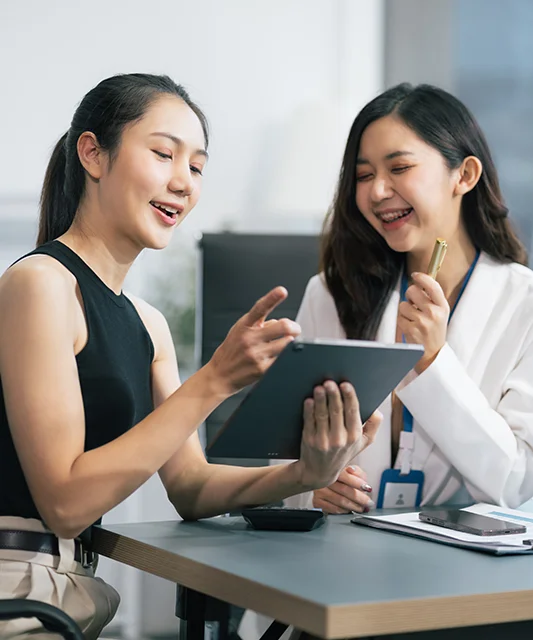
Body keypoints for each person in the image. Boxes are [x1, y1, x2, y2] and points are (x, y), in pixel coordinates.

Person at [0, 74, 381, 639]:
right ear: (92, 154)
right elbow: (65, 502)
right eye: (162, 154)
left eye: (197, 168)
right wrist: (214, 381)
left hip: (69, 595)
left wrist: (305, 472)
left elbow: (192, 488)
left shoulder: (147, 325)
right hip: (19, 591)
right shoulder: (39, 284)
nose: (183, 182)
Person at [293, 82, 533, 515]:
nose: (378, 191)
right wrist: (309, 488)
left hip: (463, 570)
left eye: (399, 168)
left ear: (465, 175)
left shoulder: (524, 303)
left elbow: (517, 485)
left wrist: (434, 361)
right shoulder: (331, 292)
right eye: (364, 176)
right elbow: (287, 454)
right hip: (345, 553)